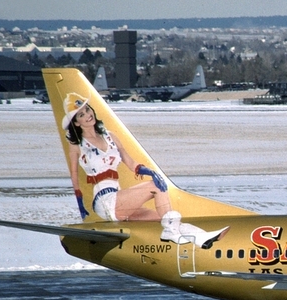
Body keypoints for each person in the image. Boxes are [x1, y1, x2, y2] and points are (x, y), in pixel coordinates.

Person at [63, 92, 227, 248]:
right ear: (76, 123)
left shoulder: (110, 136)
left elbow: (130, 162)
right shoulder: (77, 145)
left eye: (87, 109)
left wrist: (149, 171)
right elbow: (75, 176)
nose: (87, 114)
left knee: (162, 220)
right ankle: (172, 233)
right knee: (155, 189)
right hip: (104, 201)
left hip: (118, 197)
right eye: (81, 115)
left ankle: (202, 237)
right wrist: (81, 204)